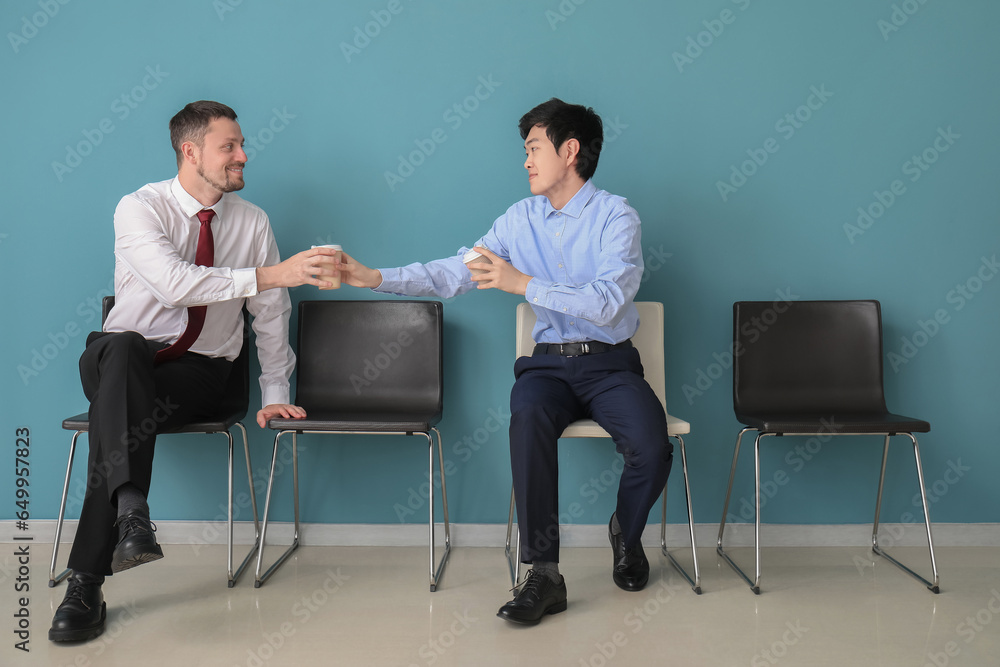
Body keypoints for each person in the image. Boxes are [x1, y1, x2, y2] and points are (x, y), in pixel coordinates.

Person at [339, 98, 673, 625]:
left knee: (653, 450)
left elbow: (609, 301)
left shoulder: (616, 217)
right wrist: (374, 277)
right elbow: (456, 271)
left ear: (570, 151)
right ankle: (545, 573)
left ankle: (626, 535)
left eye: (533, 148)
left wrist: (525, 284)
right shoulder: (519, 220)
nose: (525, 161)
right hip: (547, 368)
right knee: (528, 418)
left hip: (611, 364)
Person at [49, 100, 339, 642]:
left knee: (116, 414)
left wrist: (274, 390)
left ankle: (91, 572)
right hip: (120, 360)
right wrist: (274, 272)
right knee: (126, 348)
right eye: (229, 146)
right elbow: (175, 284)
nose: (243, 155)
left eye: (241, 144)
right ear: (191, 151)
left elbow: (271, 314)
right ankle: (129, 514)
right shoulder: (139, 208)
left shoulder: (252, 223)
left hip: (199, 375)